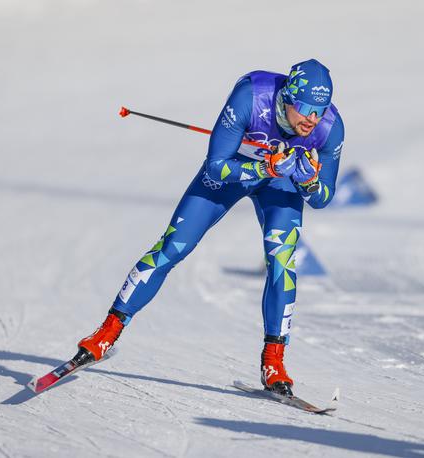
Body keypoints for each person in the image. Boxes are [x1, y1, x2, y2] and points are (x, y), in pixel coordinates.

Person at [75, 59, 344, 396]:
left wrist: (308, 183)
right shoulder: (251, 96)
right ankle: (106, 334)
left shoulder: (331, 128)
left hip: (281, 183)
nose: (313, 119)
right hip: (236, 172)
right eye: (306, 108)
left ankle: (274, 361)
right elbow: (216, 166)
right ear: (289, 97)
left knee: (282, 260)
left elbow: (323, 198)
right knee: (174, 246)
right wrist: (266, 168)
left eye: (320, 110)